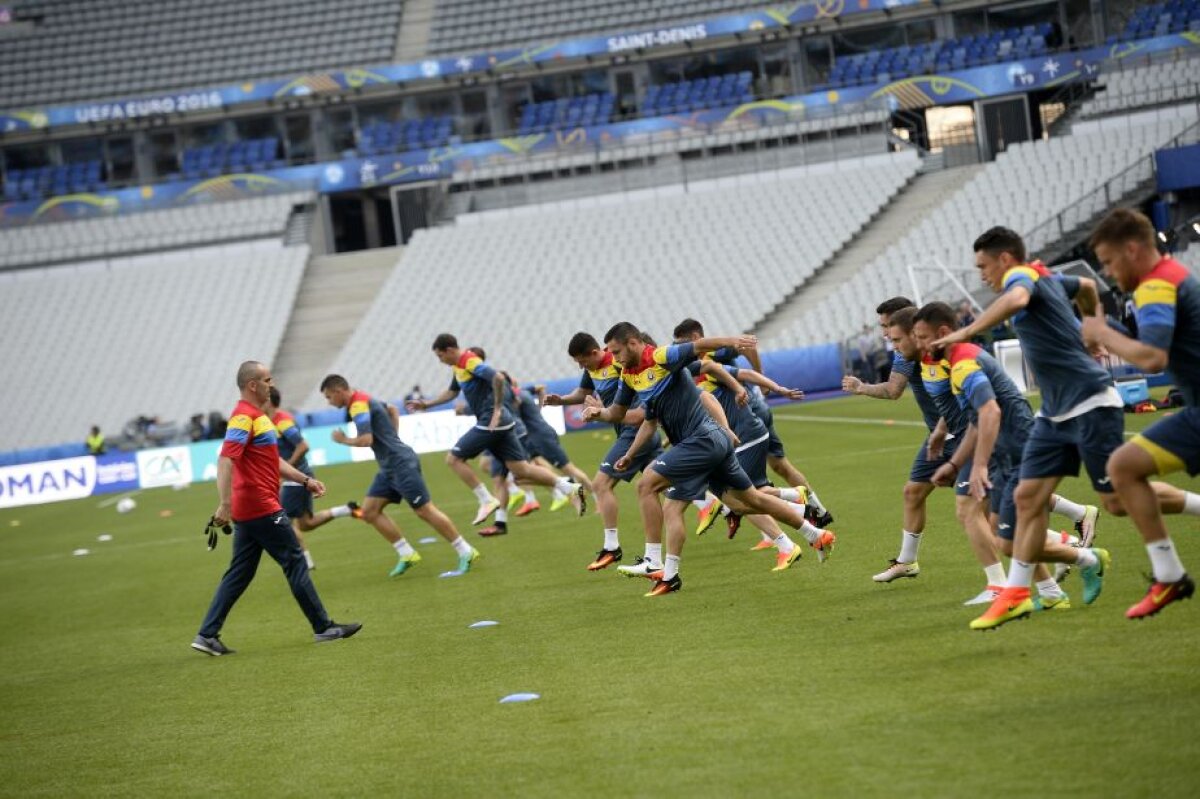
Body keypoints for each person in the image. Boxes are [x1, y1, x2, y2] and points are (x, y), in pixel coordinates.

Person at [935, 227, 1200, 630]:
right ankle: (1018, 594)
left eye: (983, 267)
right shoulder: (1051, 277)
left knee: (1115, 499)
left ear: (1005, 259)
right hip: (1054, 412)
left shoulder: (1020, 278)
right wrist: (1091, 324)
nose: (982, 276)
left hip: (1090, 401)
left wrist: (969, 331)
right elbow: (1089, 286)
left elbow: (1020, 297)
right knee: (1027, 496)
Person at [583, 323, 836, 596]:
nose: (615, 358)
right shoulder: (631, 376)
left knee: (647, 486)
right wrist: (601, 418)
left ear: (633, 343)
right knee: (750, 500)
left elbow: (701, 351)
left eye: (617, 351)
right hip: (706, 445)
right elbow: (625, 415)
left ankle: (653, 562)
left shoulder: (661, 357)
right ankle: (816, 534)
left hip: (702, 441)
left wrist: (734, 341)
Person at [916, 303, 1088, 615]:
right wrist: (955, 464)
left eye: (922, 336)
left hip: (1020, 451)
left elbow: (990, 412)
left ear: (943, 333)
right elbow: (976, 421)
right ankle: (1051, 589)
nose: (919, 344)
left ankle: (1074, 563)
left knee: (1006, 536)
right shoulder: (958, 361)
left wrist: (978, 465)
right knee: (1003, 532)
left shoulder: (964, 364)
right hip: (1008, 453)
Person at [191, 360, 360, 656]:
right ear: (253, 385)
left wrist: (305, 480)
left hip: (252, 507)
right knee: (294, 559)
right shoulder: (243, 417)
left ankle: (207, 635)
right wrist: (224, 504)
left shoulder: (259, 417)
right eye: (268, 380)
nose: (273, 385)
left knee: (240, 573)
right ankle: (323, 627)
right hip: (260, 505)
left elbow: (272, 461)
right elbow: (225, 459)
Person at [1082, 208, 1200, 618]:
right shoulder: (1173, 276)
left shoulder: (1155, 286)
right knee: (1125, 466)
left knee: (1123, 468)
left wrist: (1102, 334)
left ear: (1132, 249)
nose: (1109, 272)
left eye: (1110, 261)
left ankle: (1169, 576)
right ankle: (1168, 575)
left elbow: (1151, 357)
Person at [672, 318, 834, 532]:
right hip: (748, 414)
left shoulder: (712, 354)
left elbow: (747, 350)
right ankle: (818, 512)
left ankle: (796, 517)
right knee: (779, 466)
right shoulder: (694, 363)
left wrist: (760, 383)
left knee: (746, 490)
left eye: (682, 343)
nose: (680, 349)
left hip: (749, 415)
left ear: (694, 339)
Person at [407, 334, 585, 525]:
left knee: (454, 459)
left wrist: (498, 408)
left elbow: (498, 378)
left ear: (449, 350)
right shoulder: (458, 367)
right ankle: (567, 486)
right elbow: (452, 392)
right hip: (503, 423)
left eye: (440, 356)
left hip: (491, 420)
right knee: (521, 470)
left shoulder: (469, 361)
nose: (440, 361)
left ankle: (486, 500)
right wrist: (427, 404)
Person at [321, 374, 480, 577]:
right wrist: (393, 438)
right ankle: (407, 554)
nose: (329, 401)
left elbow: (366, 440)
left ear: (338, 391)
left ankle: (466, 550)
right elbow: (392, 409)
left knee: (424, 511)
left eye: (328, 397)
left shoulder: (357, 405)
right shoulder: (364, 397)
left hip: (400, 464)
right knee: (370, 511)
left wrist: (343, 440)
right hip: (389, 466)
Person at [543, 331, 666, 570]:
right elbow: (582, 393)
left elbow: (641, 392)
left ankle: (612, 548)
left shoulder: (620, 363)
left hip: (636, 431)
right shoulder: (591, 370)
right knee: (670, 483)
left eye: (582, 361)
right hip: (629, 432)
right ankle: (717, 502)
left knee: (601, 484)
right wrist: (562, 400)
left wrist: (605, 411)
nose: (581, 366)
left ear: (594, 352)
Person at [263, 387, 362, 570]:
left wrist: (287, 468)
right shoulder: (271, 421)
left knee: (282, 519)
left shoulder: (282, 421)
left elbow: (303, 445)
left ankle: (304, 561)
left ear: (268, 401)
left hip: (297, 478)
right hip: (297, 478)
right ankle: (345, 510)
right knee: (306, 524)